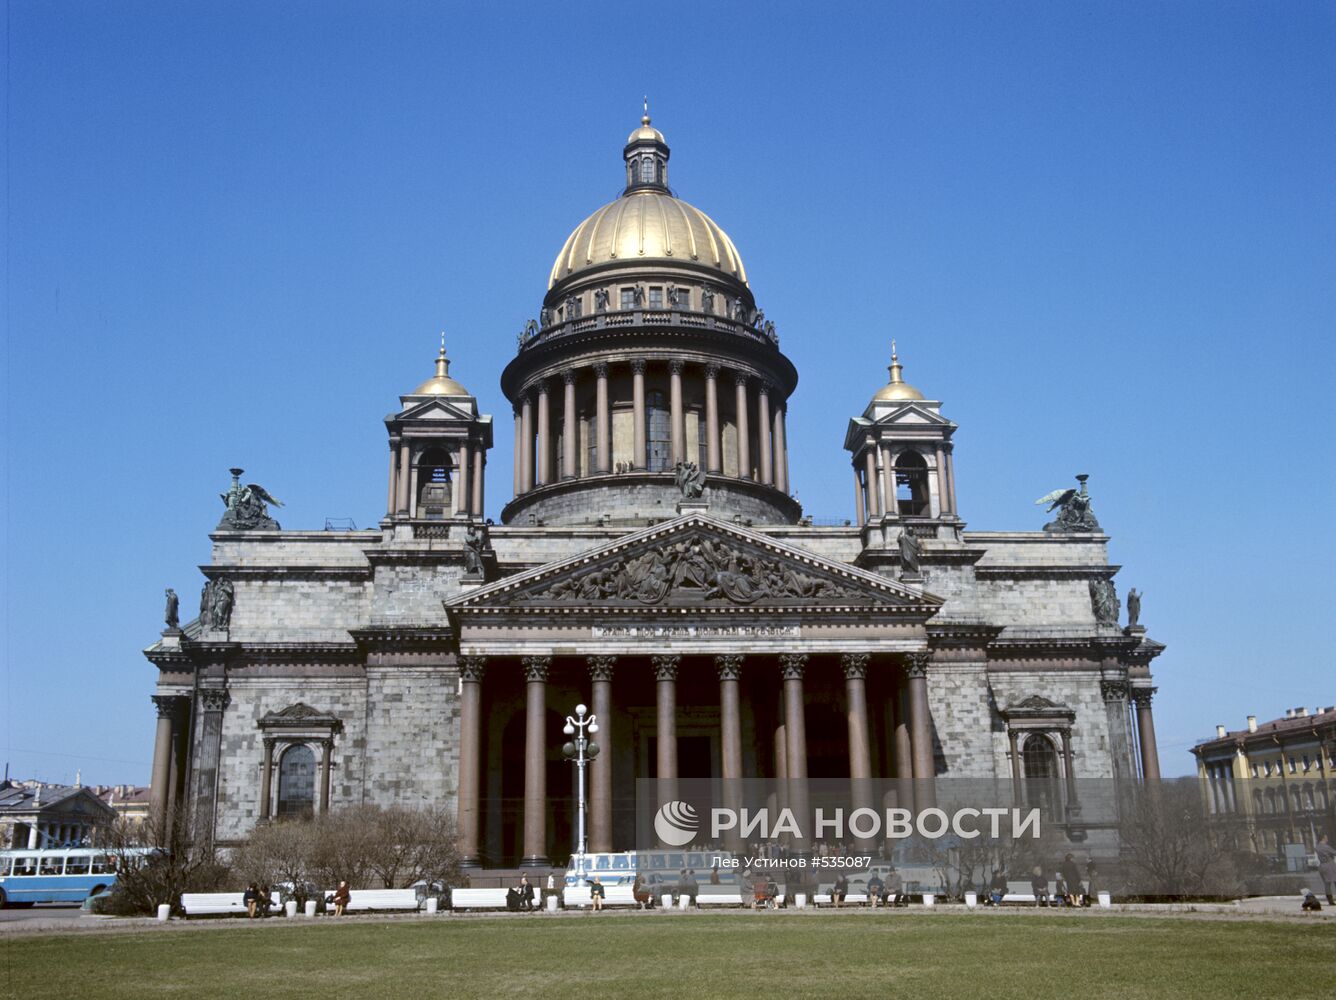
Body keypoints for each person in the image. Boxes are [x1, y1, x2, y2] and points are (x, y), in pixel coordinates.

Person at [1317, 834, 1336, 906]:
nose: (1327, 839)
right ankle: (1331, 901)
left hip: (1322, 865)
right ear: (1323, 838)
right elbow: (1334, 853)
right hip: (1329, 865)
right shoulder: (1326, 847)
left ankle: (1330, 900)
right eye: (1326, 837)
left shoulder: (1317, 847)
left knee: (1327, 884)